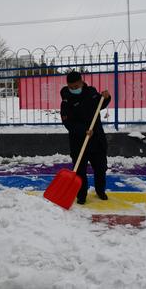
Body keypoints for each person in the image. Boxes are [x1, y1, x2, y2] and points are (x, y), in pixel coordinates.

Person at [60, 71, 111, 204]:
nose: (73, 89)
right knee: (79, 171)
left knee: (100, 168)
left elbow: (101, 104)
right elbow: (68, 123)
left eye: (76, 86)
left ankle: (100, 191)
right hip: (78, 141)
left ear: (82, 82)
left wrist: (106, 97)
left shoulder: (92, 93)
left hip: (97, 140)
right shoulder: (66, 101)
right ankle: (81, 195)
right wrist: (83, 131)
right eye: (71, 87)